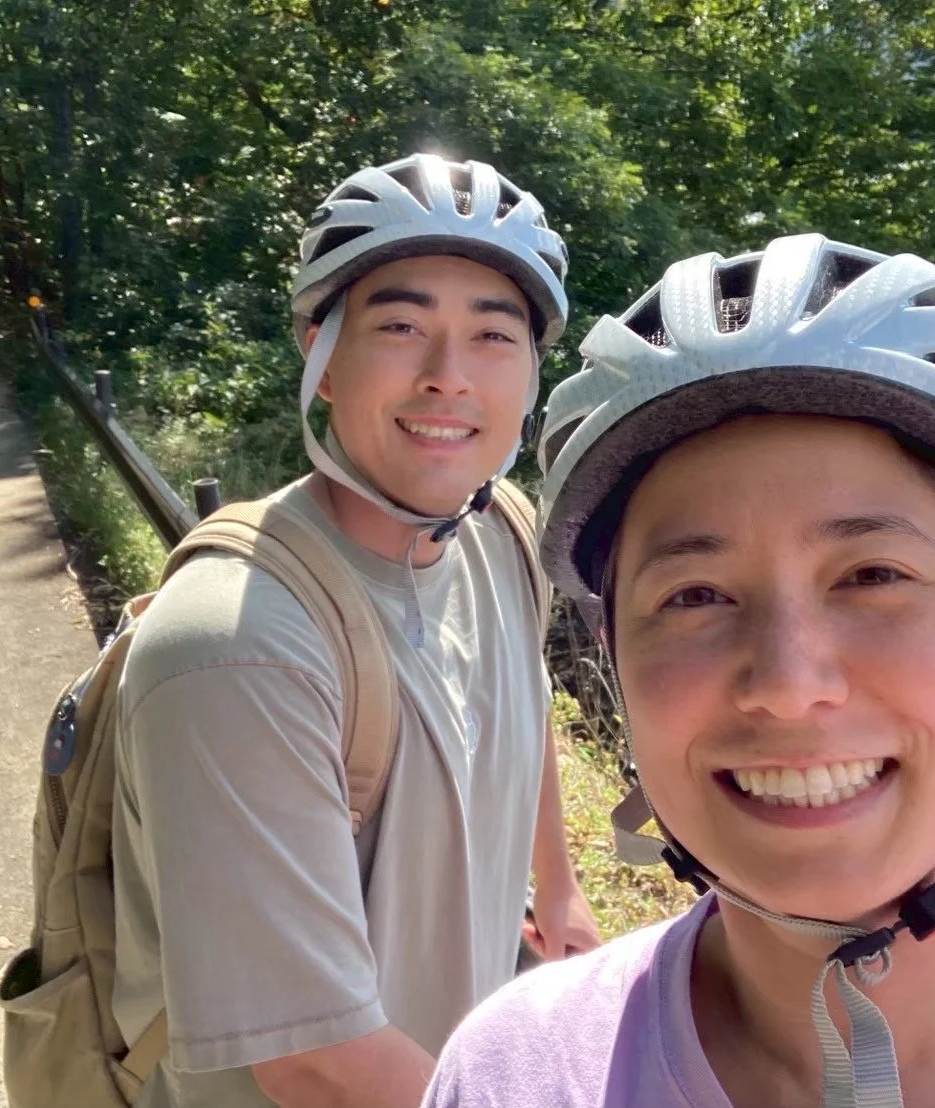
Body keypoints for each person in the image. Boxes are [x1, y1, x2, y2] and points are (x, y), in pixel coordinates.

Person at [419, 234, 935, 1107]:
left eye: (874, 577)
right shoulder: (513, 1071)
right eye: (697, 595)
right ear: (615, 663)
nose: (790, 686)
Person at [110, 153, 601, 1108]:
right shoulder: (236, 647)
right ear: (320, 354)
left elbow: (523, 705)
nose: (447, 377)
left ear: (534, 370)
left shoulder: (502, 532)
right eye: (401, 326)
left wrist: (559, 883)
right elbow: (321, 1066)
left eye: (494, 335)